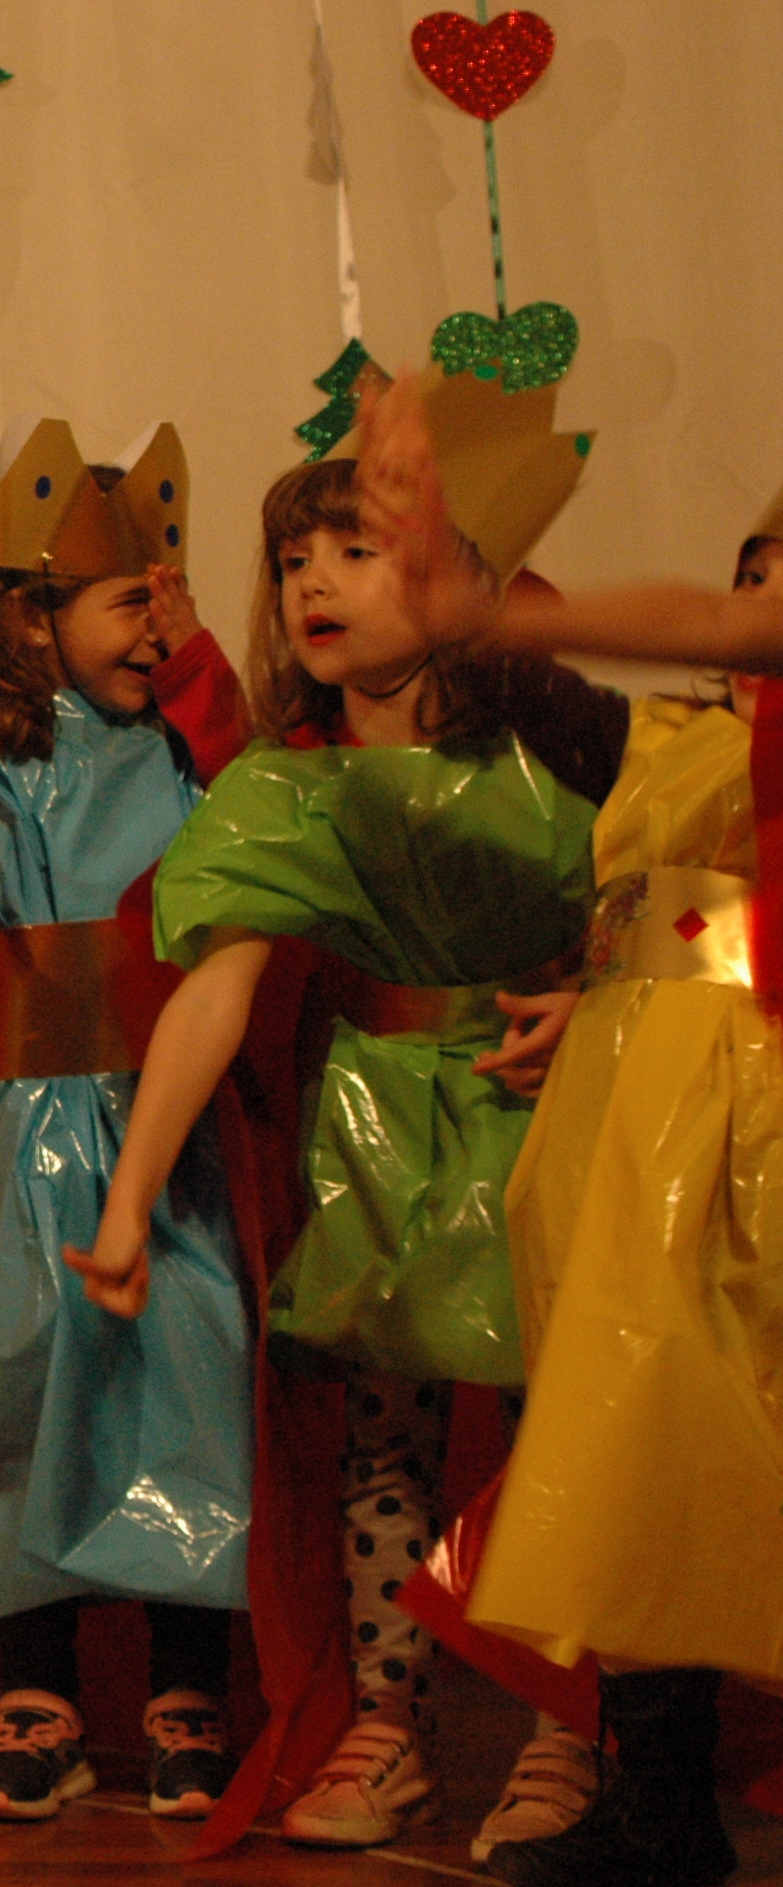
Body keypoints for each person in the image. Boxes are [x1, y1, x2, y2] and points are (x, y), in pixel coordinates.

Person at [82, 365, 625, 1859]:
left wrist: (594, 1002)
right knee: (385, 1440)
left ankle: (568, 1722)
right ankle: (389, 1721)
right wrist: (128, 1199)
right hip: (383, 1125)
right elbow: (215, 991)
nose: (312, 580)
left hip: (547, 1114)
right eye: (291, 558)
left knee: (563, 1433)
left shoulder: (559, 750)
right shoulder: (284, 787)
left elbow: (668, 892)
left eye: (355, 550)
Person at [0, 422, 297, 1821]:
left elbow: (265, 813)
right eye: (130, 599)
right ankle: (37, 1696)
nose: (156, 623)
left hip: (174, 1117)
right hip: (31, 1127)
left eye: (170, 598)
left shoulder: (195, 753)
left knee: (191, 1377)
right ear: (34, 618)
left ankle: (187, 1689)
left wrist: (198, 667)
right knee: (34, 1388)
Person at [358, 406, 782, 1887]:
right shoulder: (668, 742)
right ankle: (659, 1798)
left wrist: (477, 602)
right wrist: (599, 993)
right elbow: (557, 723)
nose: (758, 610)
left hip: (749, 1111)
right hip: (635, 1113)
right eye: (751, 573)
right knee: (633, 1438)